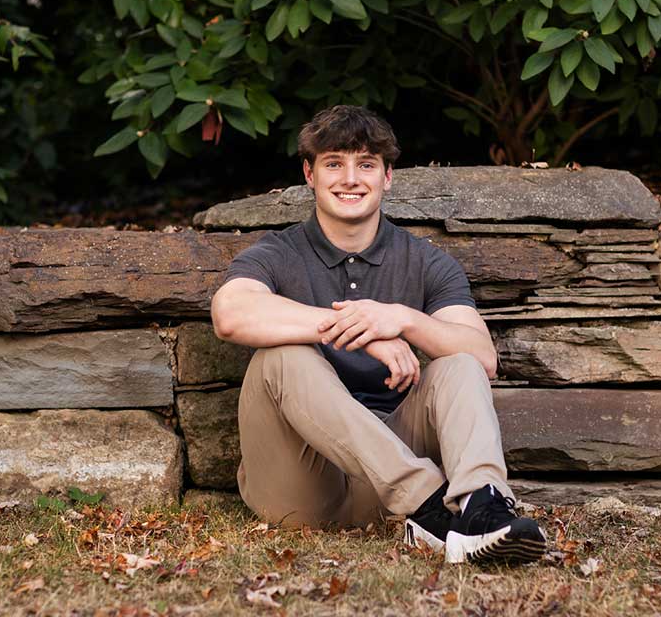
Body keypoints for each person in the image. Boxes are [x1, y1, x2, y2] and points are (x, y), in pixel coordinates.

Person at [211, 105, 547, 564]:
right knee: (281, 358)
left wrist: (403, 319)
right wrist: (363, 333)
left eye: (366, 164)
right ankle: (429, 505)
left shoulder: (425, 261)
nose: (350, 178)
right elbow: (230, 314)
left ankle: (480, 511)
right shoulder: (278, 251)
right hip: (300, 488)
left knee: (460, 365)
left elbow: (482, 358)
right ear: (309, 174)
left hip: (382, 490)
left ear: (387, 177)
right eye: (334, 164)